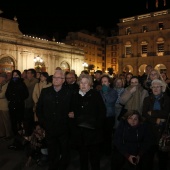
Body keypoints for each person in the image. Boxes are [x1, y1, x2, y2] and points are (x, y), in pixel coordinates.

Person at [36, 69, 73, 170]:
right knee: (52, 151)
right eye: (54, 77)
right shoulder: (45, 91)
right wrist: (43, 122)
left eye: (58, 78)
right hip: (49, 127)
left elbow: (73, 108)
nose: (55, 79)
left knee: (64, 150)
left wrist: (71, 116)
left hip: (64, 128)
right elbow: (39, 108)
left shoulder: (69, 92)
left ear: (63, 80)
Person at [68, 74, 106, 170]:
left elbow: (102, 112)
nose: (83, 85)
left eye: (86, 83)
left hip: (93, 132)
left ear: (90, 84)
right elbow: (71, 111)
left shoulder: (95, 95)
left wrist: (97, 126)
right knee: (82, 157)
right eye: (81, 83)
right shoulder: (75, 95)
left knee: (94, 158)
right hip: (80, 133)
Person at [142, 79, 170, 170]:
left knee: (163, 156)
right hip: (150, 130)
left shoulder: (167, 99)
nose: (155, 88)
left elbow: (166, 113)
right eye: (153, 87)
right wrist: (156, 120)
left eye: (158, 86)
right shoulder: (147, 99)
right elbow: (144, 113)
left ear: (162, 88)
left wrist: (153, 113)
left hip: (163, 131)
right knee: (149, 155)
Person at [5, 70, 29, 149]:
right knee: (13, 123)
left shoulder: (22, 83)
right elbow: (7, 93)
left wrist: (19, 99)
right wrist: (11, 99)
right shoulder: (10, 83)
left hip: (19, 106)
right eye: (13, 75)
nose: (15, 76)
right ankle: (15, 140)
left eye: (16, 75)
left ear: (19, 75)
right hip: (12, 105)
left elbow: (26, 94)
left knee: (20, 123)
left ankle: (21, 141)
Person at [99, 74, 118, 155]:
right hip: (101, 116)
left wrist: (105, 92)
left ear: (109, 82)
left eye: (105, 81)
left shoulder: (113, 91)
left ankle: (107, 152)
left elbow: (110, 101)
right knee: (101, 134)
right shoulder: (99, 92)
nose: (104, 83)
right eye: (102, 82)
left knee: (108, 135)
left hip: (109, 116)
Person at [24, 68, 39, 137]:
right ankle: (27, 133)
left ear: (32, 74)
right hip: (25, 102)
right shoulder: (25, 81)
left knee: (32, 119)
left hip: (32, 102)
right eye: (27, 73)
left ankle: (32, 134)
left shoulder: (36, 81)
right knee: (26, 119)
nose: (27, 74)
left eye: (28, 73)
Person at [0, 72, 13, 138]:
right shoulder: (0, 85)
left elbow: (2, 95)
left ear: (4, 78)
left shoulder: (6, 85)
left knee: (6, 121)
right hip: (0, 106)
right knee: (1, 121)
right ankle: (2, 133)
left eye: (1, 78)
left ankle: (8, 134)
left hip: (4, 105)